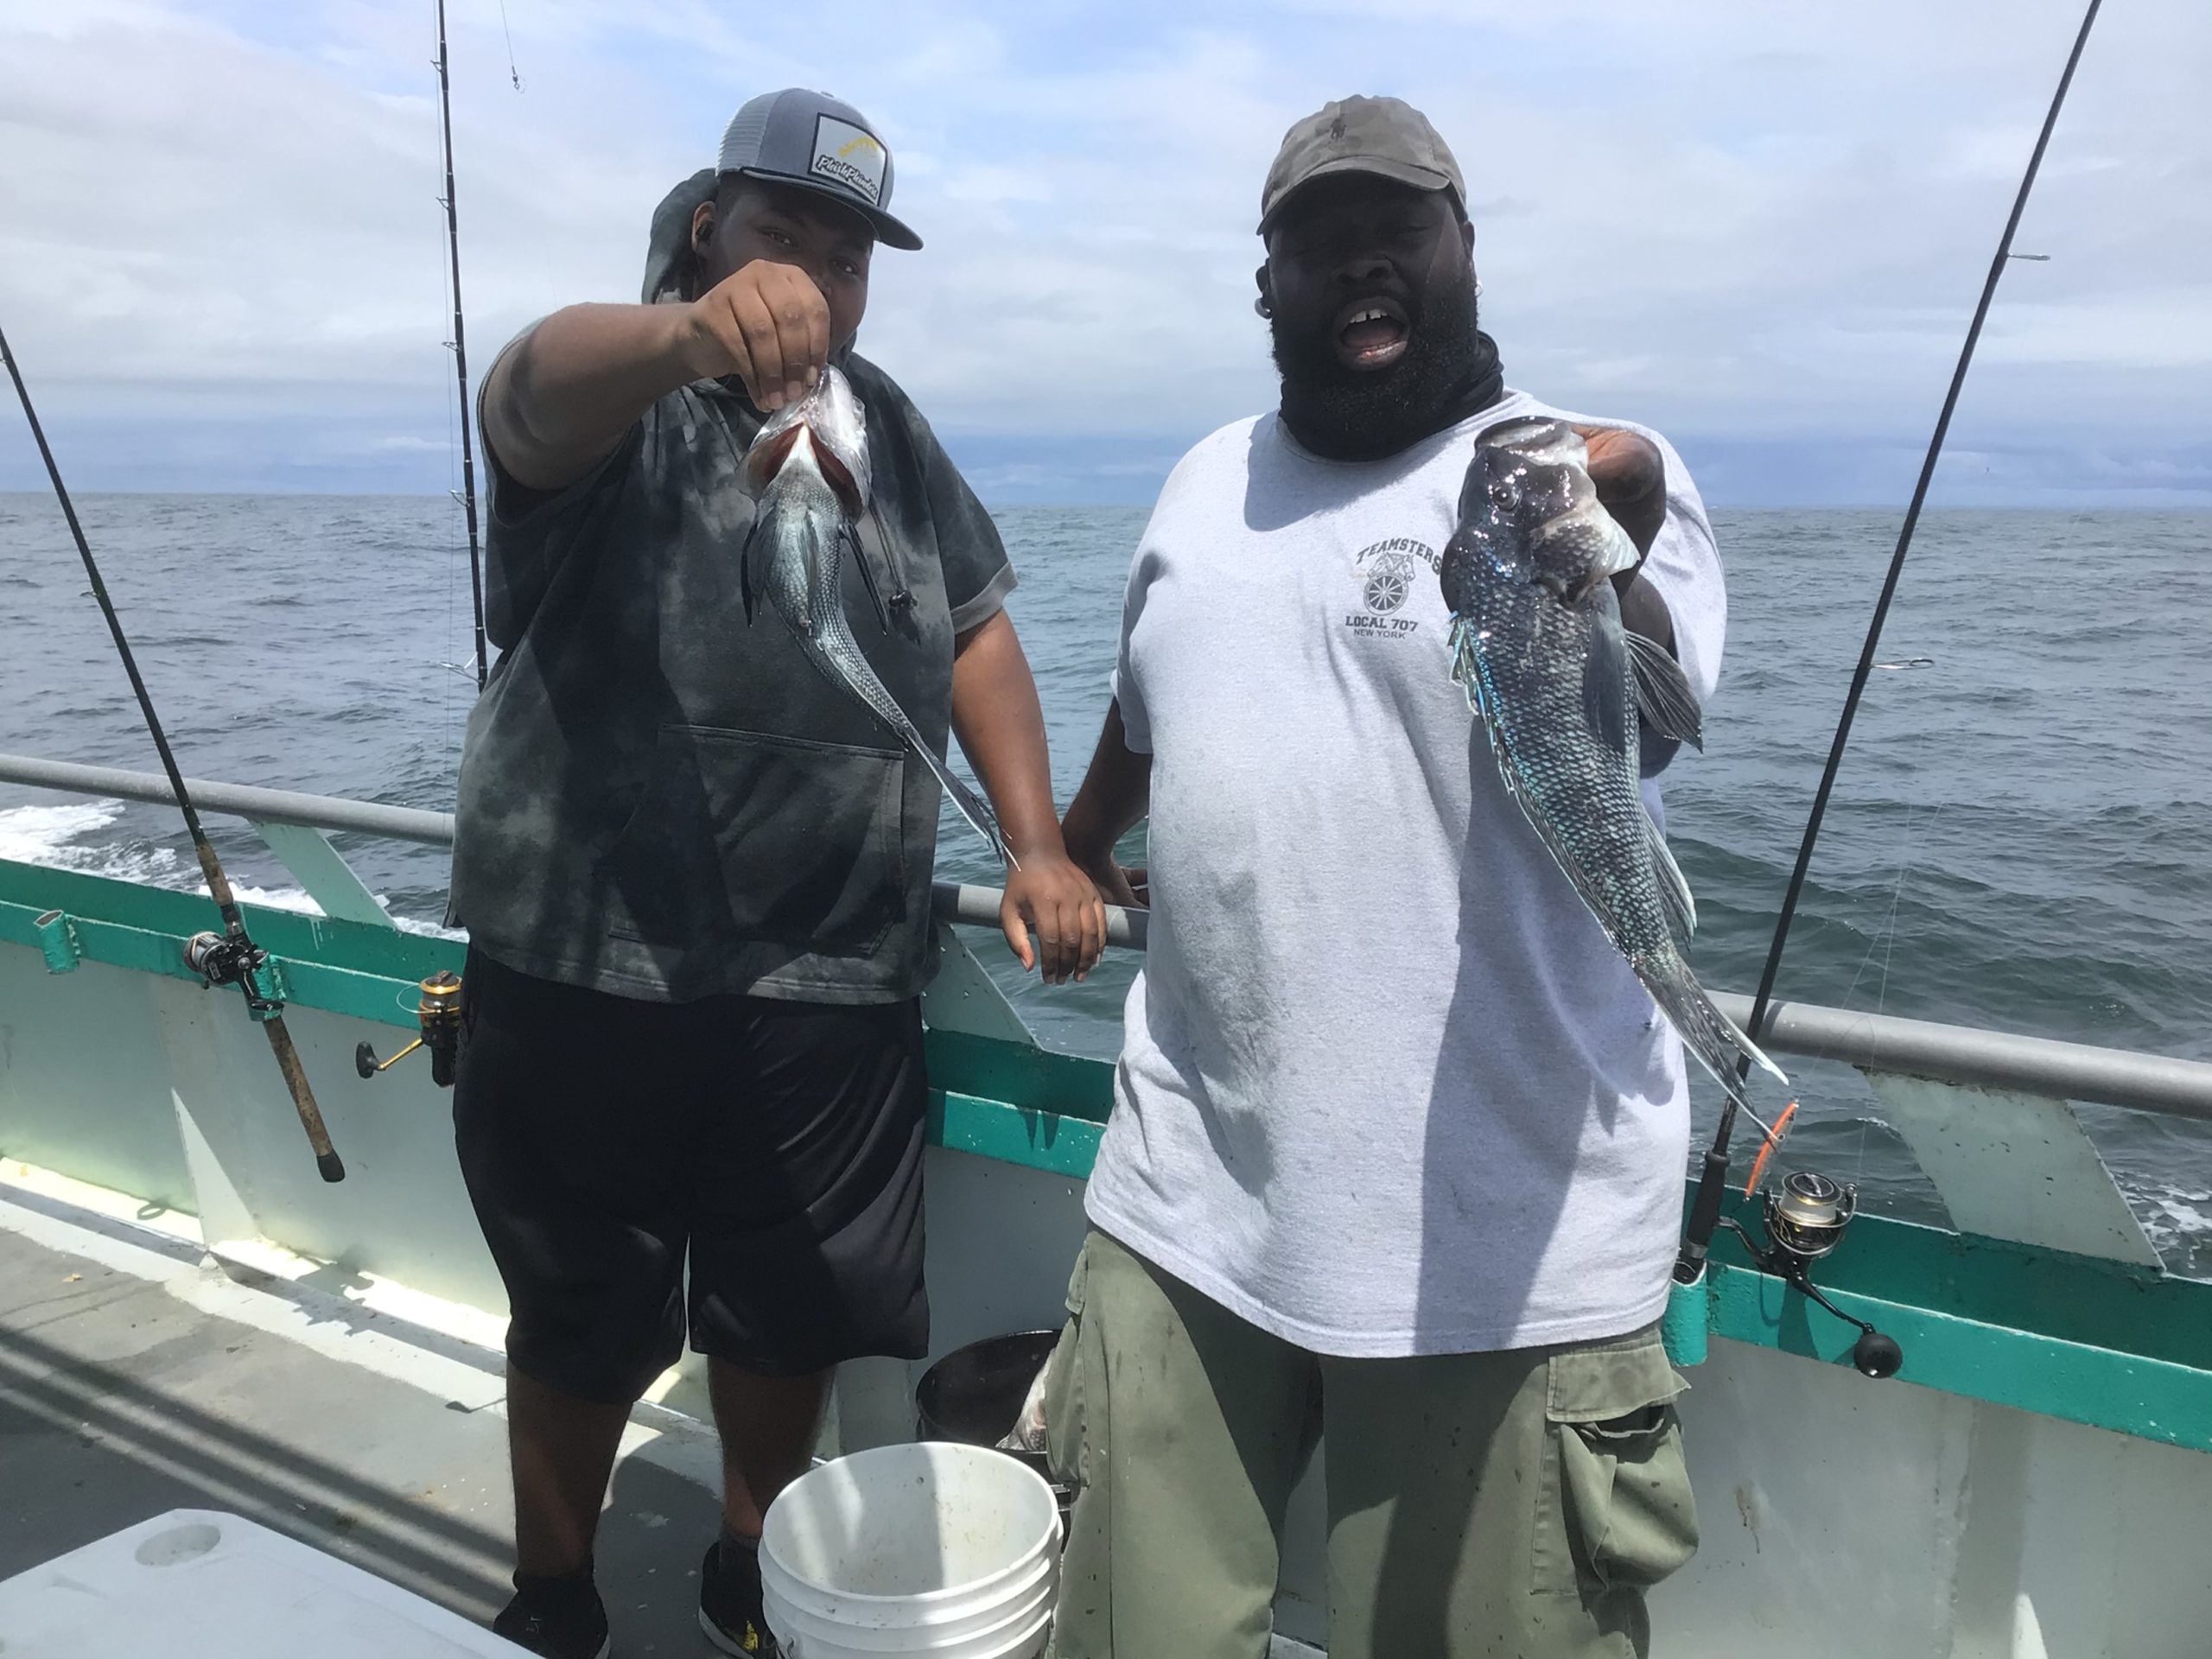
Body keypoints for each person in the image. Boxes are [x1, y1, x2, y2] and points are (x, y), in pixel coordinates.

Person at [1045, 95, 1714, 1658]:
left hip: (1504, 1254)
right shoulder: (1204, 482)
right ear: (1263, 281)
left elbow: (1659, 720)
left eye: (1396, 231)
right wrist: (1066, 844)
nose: (1361, 268)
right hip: (1184, 1204)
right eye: (1316, 242)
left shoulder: (1589, 473)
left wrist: (1607, 562)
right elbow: (1150, 704)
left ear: (1465, 249)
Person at [448, 89, 1105, 1659]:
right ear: (705, 231)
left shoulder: (883, 418)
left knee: (786, 1314)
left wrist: (1036, 841)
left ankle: (755, 1565)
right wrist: (690, 339)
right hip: (587, 957)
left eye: (848, 253)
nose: (816, 277)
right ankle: (554, 1592)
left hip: (831, 968)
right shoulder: (624, 393)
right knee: (584, 1312)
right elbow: (523, 399)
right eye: (781, 236)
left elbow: (978, 625)